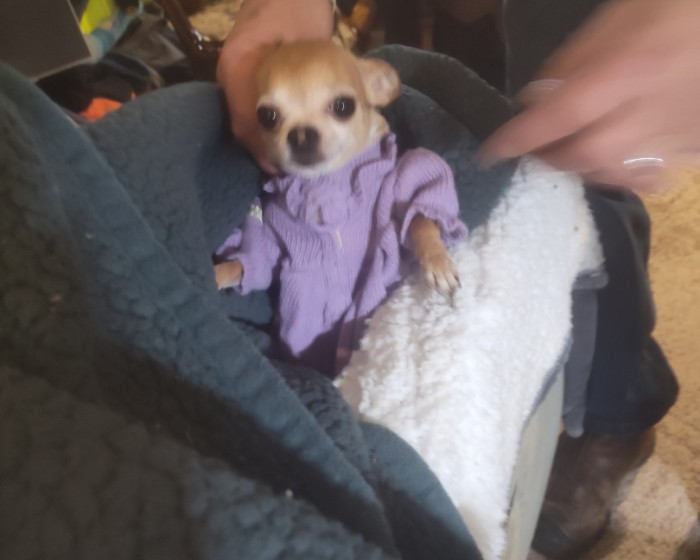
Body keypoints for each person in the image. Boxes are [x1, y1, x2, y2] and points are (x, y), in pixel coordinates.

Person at [217, 0, 689, 558]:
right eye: (274, 117)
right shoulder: (279, 198)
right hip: (307, 348)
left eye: (339, 107)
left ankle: (618, 415)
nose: (300, 132)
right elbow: (261, 236)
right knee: (553, 113)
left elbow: (423, 190)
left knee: (591, 137)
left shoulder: (398, 169)